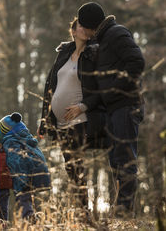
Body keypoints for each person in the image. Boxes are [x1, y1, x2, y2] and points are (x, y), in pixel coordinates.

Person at [77, 2, 145, 217]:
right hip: (113, 109)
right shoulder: (101, 41)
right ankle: (121, 209)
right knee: (116, 159)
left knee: (125, 159)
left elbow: (137, 62)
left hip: (126, 105)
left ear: (89, 25)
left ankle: (125, 211)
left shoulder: (117, 33)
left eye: (82, 25)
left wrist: (115, 90)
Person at [38, 17, 108, 213]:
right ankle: (80, 213)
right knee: (71, 169)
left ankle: (84, 213)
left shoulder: (93, 54)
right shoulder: (63, 54)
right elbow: (50, 86)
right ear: (73, 31)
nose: (85, 28)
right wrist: (45, 119)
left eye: (88, 25)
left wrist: (83, 106)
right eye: (80, 25)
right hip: (60, 123)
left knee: (78, 167)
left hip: (80, 120)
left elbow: (101, 88)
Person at [0, 112, 51, 219]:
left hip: (24, 175)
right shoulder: (27, 139)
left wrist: (21, 181)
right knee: (30, 199)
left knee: (23, 199)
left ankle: (29, 219)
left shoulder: (10, 142)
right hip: (38, 172)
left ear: (4, 132)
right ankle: (33, 219)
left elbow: (16, 161)